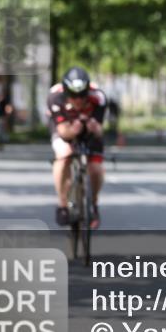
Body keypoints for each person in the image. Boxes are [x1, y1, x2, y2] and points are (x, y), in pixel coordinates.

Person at [48, 66, 107, 229]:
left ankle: (93, 204)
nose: (78, 100)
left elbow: (100, 130)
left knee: (95, 168)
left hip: (88, 130)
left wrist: (92, 127)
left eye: (82, 96)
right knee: (64, 153)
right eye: (73, 96)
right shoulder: (55, 97)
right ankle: (62, 205)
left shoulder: (99, 97)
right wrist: (73, 129)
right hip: (64, 128)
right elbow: (63, 132)